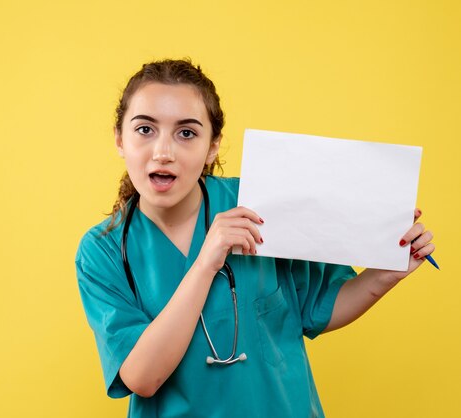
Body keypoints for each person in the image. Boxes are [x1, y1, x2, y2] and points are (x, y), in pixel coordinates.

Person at [75, 58, 435, 417]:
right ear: (120, 139)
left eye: (187, 133)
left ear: (212, 146)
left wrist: (387, 273)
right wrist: (205, 263)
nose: (163, 152)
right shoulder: (102, 251)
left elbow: (320, 308)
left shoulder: (260, 205)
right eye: (145, 130)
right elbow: (142, 378)